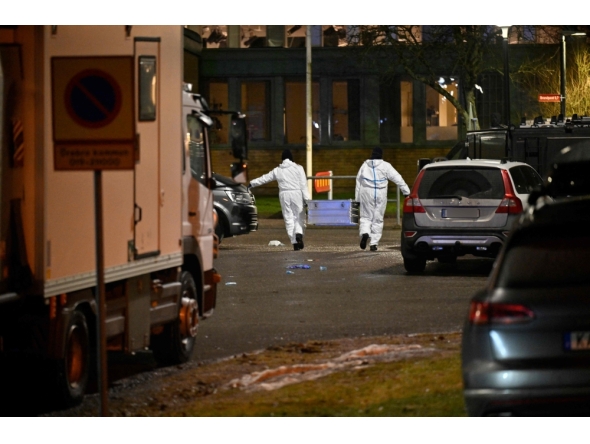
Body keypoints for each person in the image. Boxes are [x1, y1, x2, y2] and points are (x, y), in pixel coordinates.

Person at [249, 149, 311, 251]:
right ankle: (299, 234)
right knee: (299, 217)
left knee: (288, 218)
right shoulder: (298, 168)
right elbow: (303, 185)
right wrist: (307, 200)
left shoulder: (277, 170)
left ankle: (294, 242)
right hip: (297, 194)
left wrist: (252, 183)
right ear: (291, 158)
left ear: (282, 159)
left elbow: (265, 178)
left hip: (284, 195)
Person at [355, 147, 411, 251]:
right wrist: (406, 192)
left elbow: (358, 182)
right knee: (378, 218)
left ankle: (365, 233)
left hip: (366, 192)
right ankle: (374, 243)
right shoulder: (386, 166)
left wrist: (357, 199)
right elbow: (397, 178)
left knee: (366, 217)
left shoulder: (364, 166)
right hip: (380, 193)